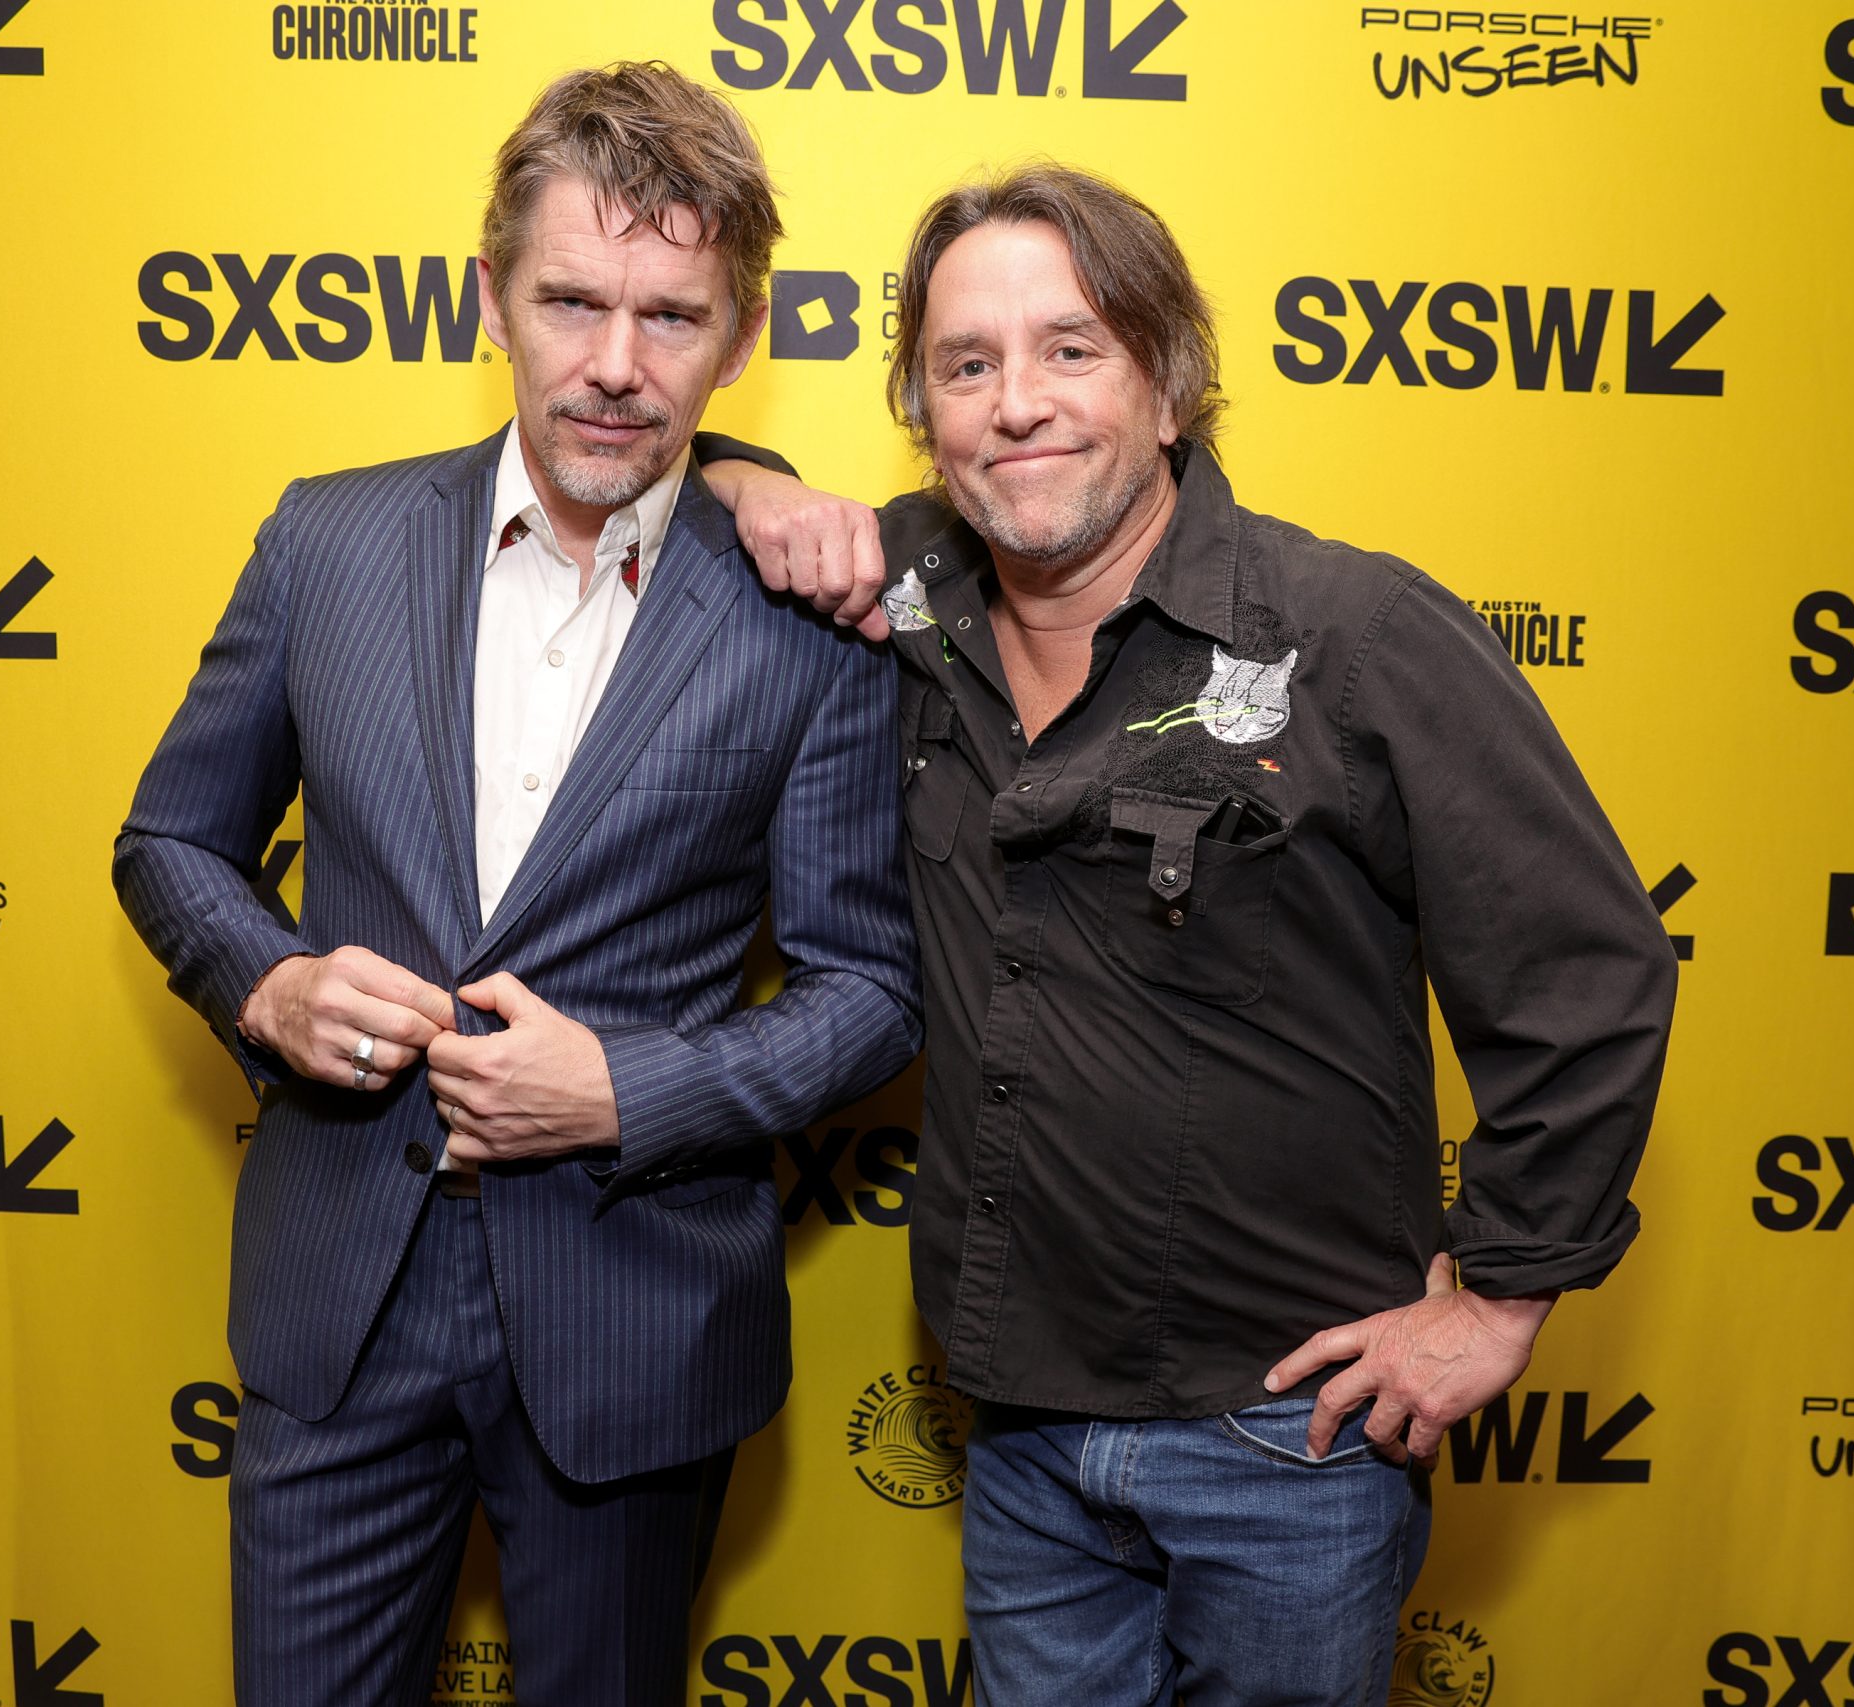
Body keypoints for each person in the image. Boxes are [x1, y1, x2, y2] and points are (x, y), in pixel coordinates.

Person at [703, 165, 1677, 1706]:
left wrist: (1499, 1294)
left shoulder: (1350, 633)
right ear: (923, 410)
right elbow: (653, 464)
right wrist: (751, 481)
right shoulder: (901, 601)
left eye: (1072, 350)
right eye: (968, 366)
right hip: (1017, 1428)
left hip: (1284, 1438)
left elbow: (1588, 967)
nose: (1016, 403)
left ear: (1170, 385)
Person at [113, 63, 918, 1707]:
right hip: (341, 1293)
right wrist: (265, 983)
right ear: (492, 296)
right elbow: (172, 842)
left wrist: (623, 1089)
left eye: (674, 317)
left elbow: (873, 987)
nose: (616, 366)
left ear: (744, 333)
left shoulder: (811, 620)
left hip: (634, 1315)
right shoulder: (323, 545)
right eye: (570, 301)